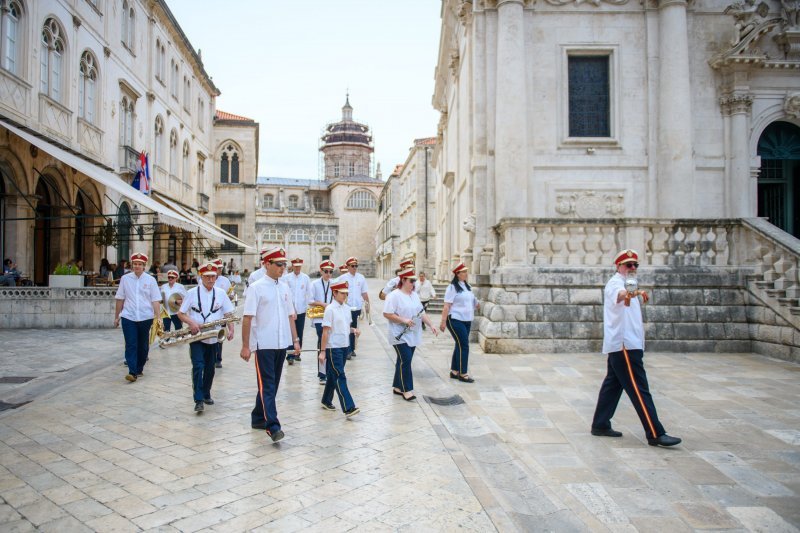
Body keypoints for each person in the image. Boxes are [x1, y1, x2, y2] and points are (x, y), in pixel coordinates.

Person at [591, 249, 682, 447]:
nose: (632, 268)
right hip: (625, 346)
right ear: (619, 266)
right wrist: (634, 292)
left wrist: (633, 291)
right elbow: (620, 295)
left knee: (612, 386)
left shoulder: (628, 283)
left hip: (625, 344)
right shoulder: (615, 283)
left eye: (635, 265)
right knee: (640, 390)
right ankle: (655, 432)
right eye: (628, 264)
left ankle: (600, 424)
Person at [240, 247, 300, 443]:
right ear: (267, 264)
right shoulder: (256, 288)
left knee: (271, 385)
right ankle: (272, 426)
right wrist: (245, 345)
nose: (283, 268)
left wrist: (296, 340)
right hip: (264, 343)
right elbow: (247, 318)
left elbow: (291, 316)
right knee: (267, 384)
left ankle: (258, 417)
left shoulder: (284, 287)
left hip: (281, 343)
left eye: (284, 264)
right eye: (279, 264)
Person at [178, 262, 235, 413]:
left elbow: (228, 313)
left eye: (213, 277)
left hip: (213, 336)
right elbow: (181, 313)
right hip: (196, 336)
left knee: (210, 368)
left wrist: (231, 329)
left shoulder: (221, 293)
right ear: (201, 277)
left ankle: (206, 393)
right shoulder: (191, 293)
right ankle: (198, 399)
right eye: (207, 277)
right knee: (198, 366)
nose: (211, 280)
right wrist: (191, 322)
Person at [384, 268, 439, 401]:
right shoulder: (394, 296)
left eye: (414, 281)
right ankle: (407, 389)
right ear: (403, 280)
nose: (413, 284)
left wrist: (431, 325)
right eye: (411, 281)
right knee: (406, 360)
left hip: (413, 334)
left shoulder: (414, 295)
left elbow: (421, 312)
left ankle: (397, 386)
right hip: (399, 334)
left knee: (402, 361)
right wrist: (403, 320)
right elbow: (387, 314)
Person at [114, 253, 161, 382]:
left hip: (145, 317)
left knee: (143, 346)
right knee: (131, 344)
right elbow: (120, 298)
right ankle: (132, 371)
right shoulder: (125, 279)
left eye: (140, 264)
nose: (137, 266)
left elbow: (155, 300)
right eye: (135, 264)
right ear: (132, 265)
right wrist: (117, 316)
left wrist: (159, 317)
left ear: (144, 266)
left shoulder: (150, 280)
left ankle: (139, 368)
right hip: (128, 316)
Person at [318, 280, 360, 417]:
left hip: (344, 346)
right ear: (334, 293)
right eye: (342, 293)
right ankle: (349, 407)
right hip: (333, 347)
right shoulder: (330, 309)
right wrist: (323, 351)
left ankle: (326, 400)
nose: (344, 296)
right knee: (340, 375)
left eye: (346, 293)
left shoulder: (346, 308)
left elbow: (346, 327)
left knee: (333, 374)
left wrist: (354, 330)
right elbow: (325, 331)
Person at [439, 263, 479, 383]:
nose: (466, 274)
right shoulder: (452, 287)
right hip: (455, 319)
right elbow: (447, 306)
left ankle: (454, 371)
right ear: (457, 274)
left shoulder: (467, 286)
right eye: (463, 272)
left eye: (466, 271)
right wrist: (443, 321)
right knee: (464, 345)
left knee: (459, 344)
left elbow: (472, 301)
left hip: (467, 320)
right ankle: (463, 373)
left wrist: (476, 304)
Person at [309, 260, 336, 385]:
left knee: (329, 343)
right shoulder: (314, 284)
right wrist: (323, 304)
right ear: (321, 271)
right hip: (319, 317)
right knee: (322, 343)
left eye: (331, 271)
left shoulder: (334, 283)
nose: (328, 274)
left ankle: (329, 371)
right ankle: (322, 374)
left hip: (331, 317)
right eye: (326, 271)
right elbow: (310, 300)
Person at [338, 257, 370, 360]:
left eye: (356, 266)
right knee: (346, 328)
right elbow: (335, 291)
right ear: (348, 267)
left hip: (357, 308)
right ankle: (347, 350)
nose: (355, 268)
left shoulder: (361, 277)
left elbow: (364, 292)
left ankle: (352, 349)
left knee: (354, 329)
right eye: (352, 266)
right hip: (346, 308)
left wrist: (367, 305)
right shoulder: (342, 278)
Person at [285, 258, 312, 366]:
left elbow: (308, 293)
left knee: (299, 332)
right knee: (290, 332)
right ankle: (290, 355)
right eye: (295, 266)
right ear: (292, 266)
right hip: (289, 311)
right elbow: (286, 294)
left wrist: (306, 306)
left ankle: (297, 353)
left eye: (299, 266)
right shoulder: (287, 278)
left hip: (301, 310)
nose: (297, 268)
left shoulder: (305, 278)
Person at [208, 258, 232, 368]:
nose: (220, 270)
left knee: (220, 336)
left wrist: (230, 296)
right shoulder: (205, 279)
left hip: (222, 314)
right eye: (218, 268)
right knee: (210, 336)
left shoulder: (225, 281)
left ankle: (218, 359)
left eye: (221, 268)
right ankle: (211, 357)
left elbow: (229, 295)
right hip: (209, 315)